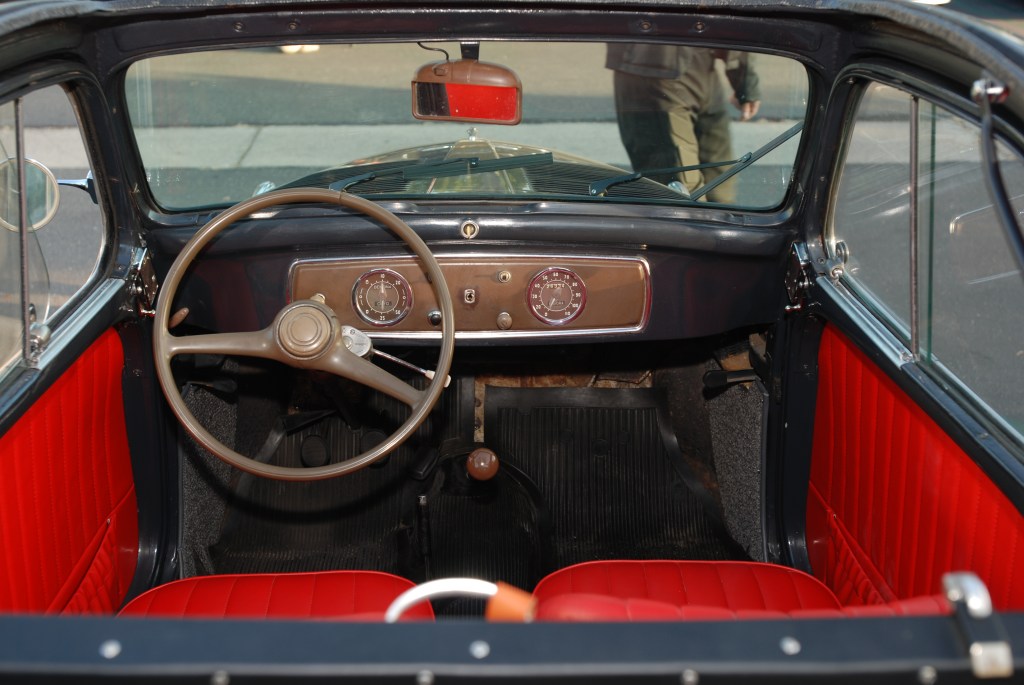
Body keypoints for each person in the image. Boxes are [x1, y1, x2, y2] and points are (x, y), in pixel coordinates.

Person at [606, 44, 761, 203]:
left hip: (703, 58)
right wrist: (745, 79)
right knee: (682, 193)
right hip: (653, 63)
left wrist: (744, 79)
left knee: (720, 185)